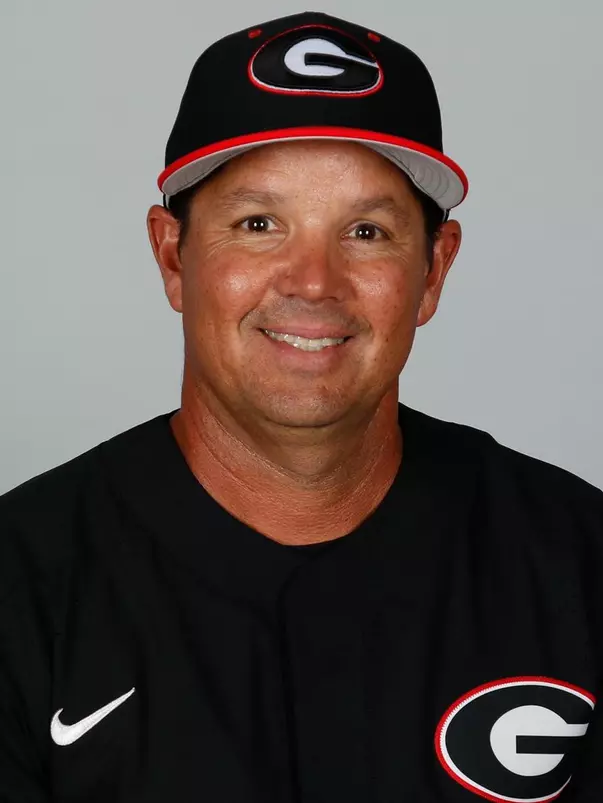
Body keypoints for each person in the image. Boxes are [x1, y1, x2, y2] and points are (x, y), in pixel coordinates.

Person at [1, 10, 602, 803]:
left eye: (366, 231)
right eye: (258, 224)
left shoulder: (576, 560)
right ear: (173, 256)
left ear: (432, 271)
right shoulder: (24, 582)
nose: (313, 281)